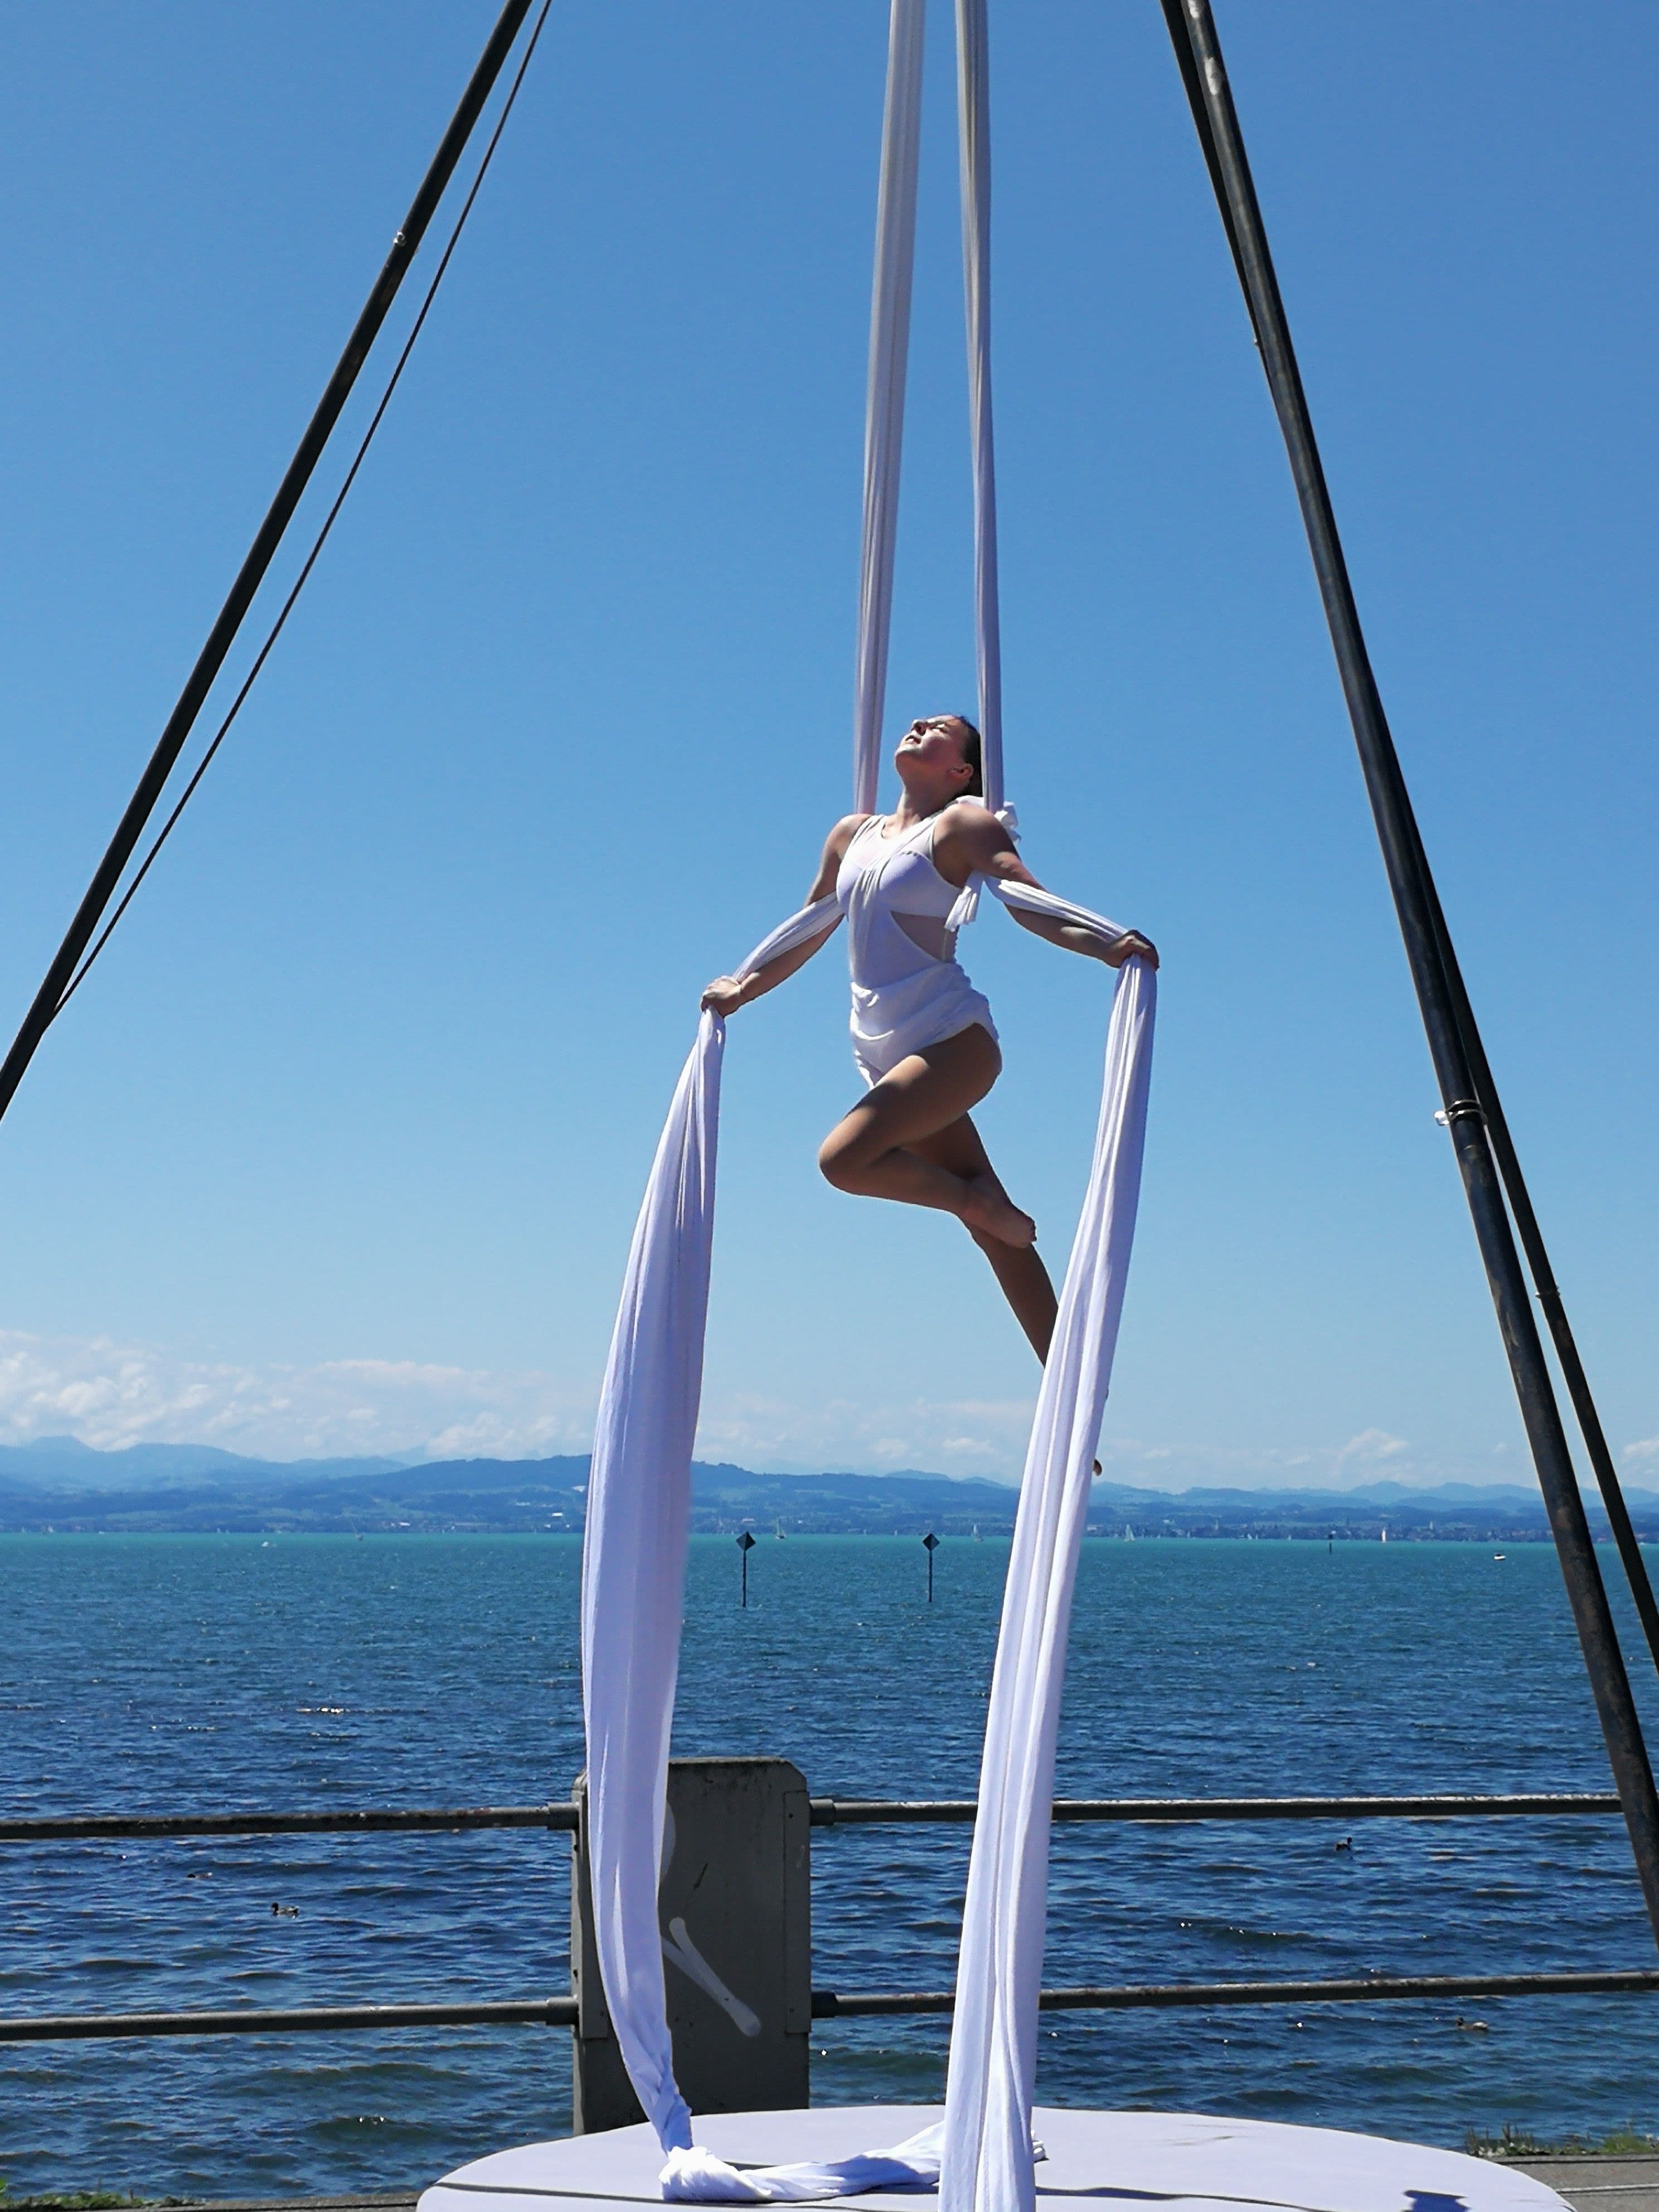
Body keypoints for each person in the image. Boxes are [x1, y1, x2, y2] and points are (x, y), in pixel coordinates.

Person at [701, 714, 1156, 1364]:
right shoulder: (850, 835)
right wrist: (742, 989)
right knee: (996, 1234)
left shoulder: (961, 826)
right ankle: (1075, 1390)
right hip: (881, 1052)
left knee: (845, 1160)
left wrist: (1109, 943)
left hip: (951, 1040)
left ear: (961, 772)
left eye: (940, 728)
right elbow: (808, 925)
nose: (918, 724)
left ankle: (975, 1203)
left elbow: (1028, 901)